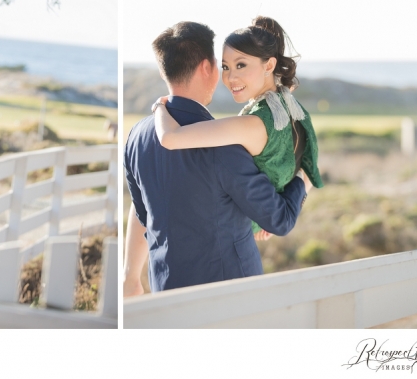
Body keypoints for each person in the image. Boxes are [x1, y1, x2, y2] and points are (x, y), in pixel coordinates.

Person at [123, 21, 309, 296]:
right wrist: (303, 180)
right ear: (207, 67)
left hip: (163, 289)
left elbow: (143, 213)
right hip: (230, 295)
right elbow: (278, 219)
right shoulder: (227, 147)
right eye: (222, 65)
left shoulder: (136, 136)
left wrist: (130, 275)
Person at [153, 16, 323, 240]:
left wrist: (159, 108)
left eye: (241, 65)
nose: (231, 77)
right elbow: (308, 169)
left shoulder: (252, 124)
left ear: (269, 65)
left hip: (231, 240)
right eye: (225, 67)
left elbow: (170, 138)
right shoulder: (292, 106)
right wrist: (281, 208)